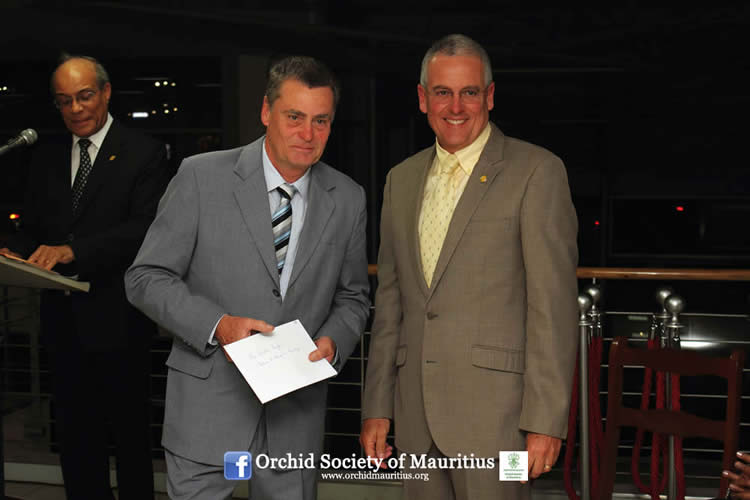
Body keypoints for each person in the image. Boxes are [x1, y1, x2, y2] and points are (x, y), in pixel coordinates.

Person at [124, 55, 369, 500]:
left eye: (320, 121)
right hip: (207, 411)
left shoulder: (349, 198)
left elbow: (353, 297)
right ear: (266, 112)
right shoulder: (200, 176)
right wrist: (218, 325)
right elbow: (146, 277)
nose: (308, 134)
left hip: (294, 418)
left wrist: (334, 341)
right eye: (294, 117)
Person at [360, 34, 579, 499]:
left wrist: (545, 421)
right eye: (443, 92)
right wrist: (377, 407)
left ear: (490, 96)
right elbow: (391, 303)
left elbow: (553, 308)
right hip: (416, 419)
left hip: (500, 423)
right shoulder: (401, 180)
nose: (456, 107)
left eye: (469, 92)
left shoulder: (537, 171)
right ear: (423, 98)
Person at [0, 54, 171, 499]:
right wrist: (14, 250)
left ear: (106, 92)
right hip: (61, 322)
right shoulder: (47, 155)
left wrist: (74, 251)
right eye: (64, 101)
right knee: (76, 438)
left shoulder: (144, 152)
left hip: (120, 319)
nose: (75, 109)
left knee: (130, 437)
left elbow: (145, 228)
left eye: (84, 96)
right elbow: (34, 227)